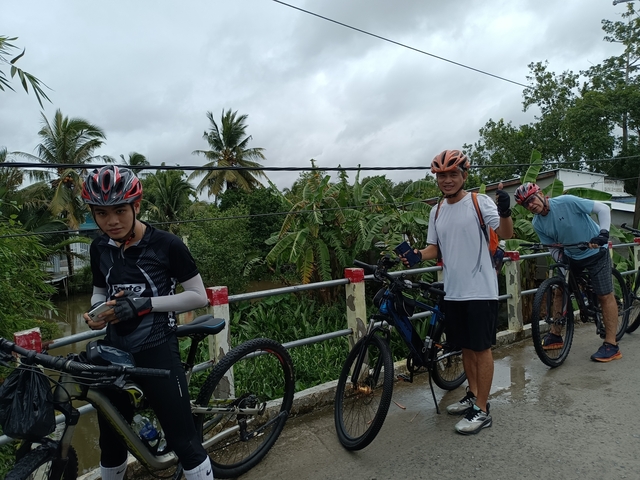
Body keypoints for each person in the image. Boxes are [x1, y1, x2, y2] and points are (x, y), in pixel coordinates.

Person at [81, 166, 213, 480]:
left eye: (120, 211)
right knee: (111, 441)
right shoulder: (99, 247)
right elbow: (100, 290)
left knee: (185, 443)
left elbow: (198, 296)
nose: (111, 221)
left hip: (157, 349)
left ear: (136, 207)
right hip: (115, 352)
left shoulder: (167, 245)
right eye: (101, 213)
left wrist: (143, 305)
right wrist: (98, 312)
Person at [400, 149, 513, 435]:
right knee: (465, 347)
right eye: (441, 175)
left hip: (481, 291)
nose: (447, 180)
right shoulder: (436, 210)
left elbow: (506, 233)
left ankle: (483, 410)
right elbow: (434, 249)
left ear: (464, 175)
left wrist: (505, 210)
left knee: (482, 349)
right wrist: (416, 256)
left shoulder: (479, 202)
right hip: (452, 292)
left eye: (452, 174)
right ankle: (473, 395)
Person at [514, 182, 620, 362]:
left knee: (604, 295)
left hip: (595, 251)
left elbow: (602, 209)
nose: (531, 205)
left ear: (541, 194)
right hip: (571, 256)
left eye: (531, 199)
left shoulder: (567, 202)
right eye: (526, 204)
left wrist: (603, 234)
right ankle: (556, 334)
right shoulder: (537, 223)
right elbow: (552, 247)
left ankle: (611, 344)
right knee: (560, 291)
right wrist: (560, 259)